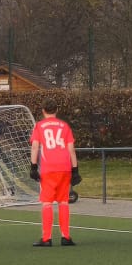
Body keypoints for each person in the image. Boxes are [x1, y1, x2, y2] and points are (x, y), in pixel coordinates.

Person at [28, 102, 80, 247]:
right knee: (63, 202)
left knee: (47, 203)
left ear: (43, 111)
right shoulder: (65, 126)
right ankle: (65, 237)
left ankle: (46, 238)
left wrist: (33, 167)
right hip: (64, 168)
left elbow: (35, 147)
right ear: (56, 110)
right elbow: (71, 150)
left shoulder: (39, 126)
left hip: (48, 168)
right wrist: (75, 170)